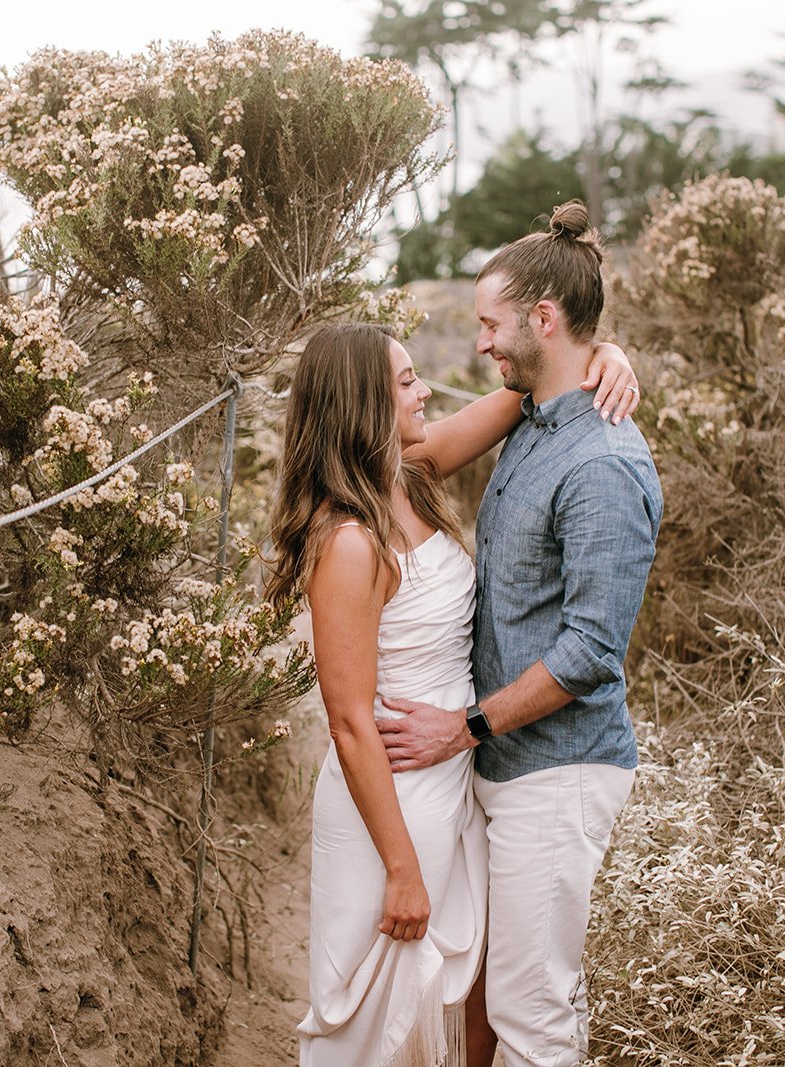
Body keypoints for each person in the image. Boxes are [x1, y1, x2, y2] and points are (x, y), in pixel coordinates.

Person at [267, 319, 639, 1066]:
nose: (426, 388)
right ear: (363, 403)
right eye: (406, 381)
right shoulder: (347, 539)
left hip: (456, 777)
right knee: (376, 1017)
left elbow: (523, 388)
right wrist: (400, 867)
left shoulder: (407, 475)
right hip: (390, 800)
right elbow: (347, 722)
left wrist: (601, 355)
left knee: (465, 988)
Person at [378, 201, 663, 1067]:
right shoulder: (534, 417)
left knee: (533, 1013)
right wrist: (598, 355)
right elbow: (418, 450)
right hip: (506, 764)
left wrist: (459, 727)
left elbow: (587, 653)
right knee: (484, 996)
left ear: (543, 319)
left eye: (492, 325)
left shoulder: (604, 464)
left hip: (560, 769)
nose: (481, 347)